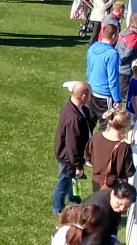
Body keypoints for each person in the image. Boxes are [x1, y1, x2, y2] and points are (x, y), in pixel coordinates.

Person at [53, 82, 92, 215]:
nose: (92, 97)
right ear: (83, 96)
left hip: (70, 156)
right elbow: (72, 145)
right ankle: (57, 209)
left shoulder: (73, 107)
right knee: (64, 183)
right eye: (90, 95)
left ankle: (73, 201)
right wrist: (78, 165)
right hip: (68, 158)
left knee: (71, 180)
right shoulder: (73, 118)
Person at [84, 107, 136, 192]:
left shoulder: (96, 137)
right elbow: (129, 172)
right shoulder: (124, 147)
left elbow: (87, 158)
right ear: (124, 128)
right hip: (114, 187)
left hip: (97, 183)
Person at [86, 24, 121, 132]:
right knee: (106, 127)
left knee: (88, 124)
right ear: (114, 36)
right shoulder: (112, 54)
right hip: (104, 96)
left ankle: (85, 142)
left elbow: (89, 70)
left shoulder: (92, 47)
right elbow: (113, 80)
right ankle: (98, 143)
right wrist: (117, 100)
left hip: (91, 91)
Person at [116, 13, 137, 102]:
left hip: (121, 68)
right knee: (120, 93)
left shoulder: (125, 31)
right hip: (126, 71)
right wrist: (120, 61)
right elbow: (126, 55)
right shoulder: (134, 38)